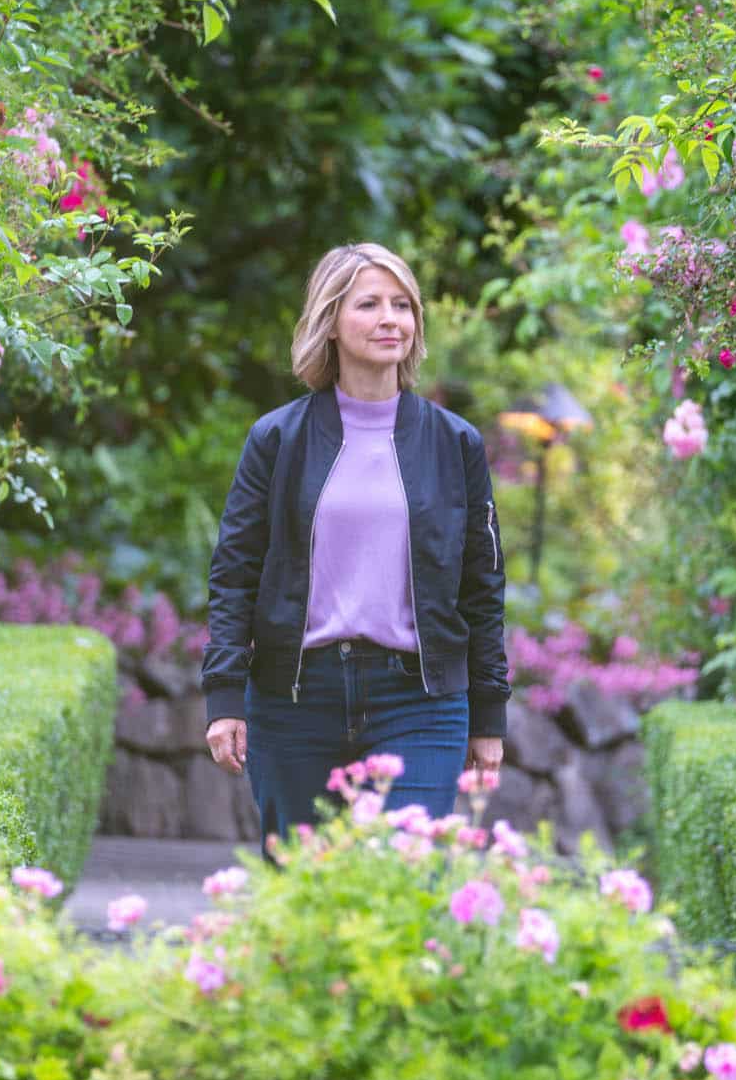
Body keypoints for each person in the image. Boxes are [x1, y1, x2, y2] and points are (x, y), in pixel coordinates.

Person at [201, 242, 509, 850]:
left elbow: (483, 587)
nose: (390, 319)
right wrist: (225, 696)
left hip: (420, 699)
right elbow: (234, 574)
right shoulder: (277, 439)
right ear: (331, 322)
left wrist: (489, 712)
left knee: (407, 872)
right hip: (295, 698)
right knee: (302, 881)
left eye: (402, 305)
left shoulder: (455, 444)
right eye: (369, 304)